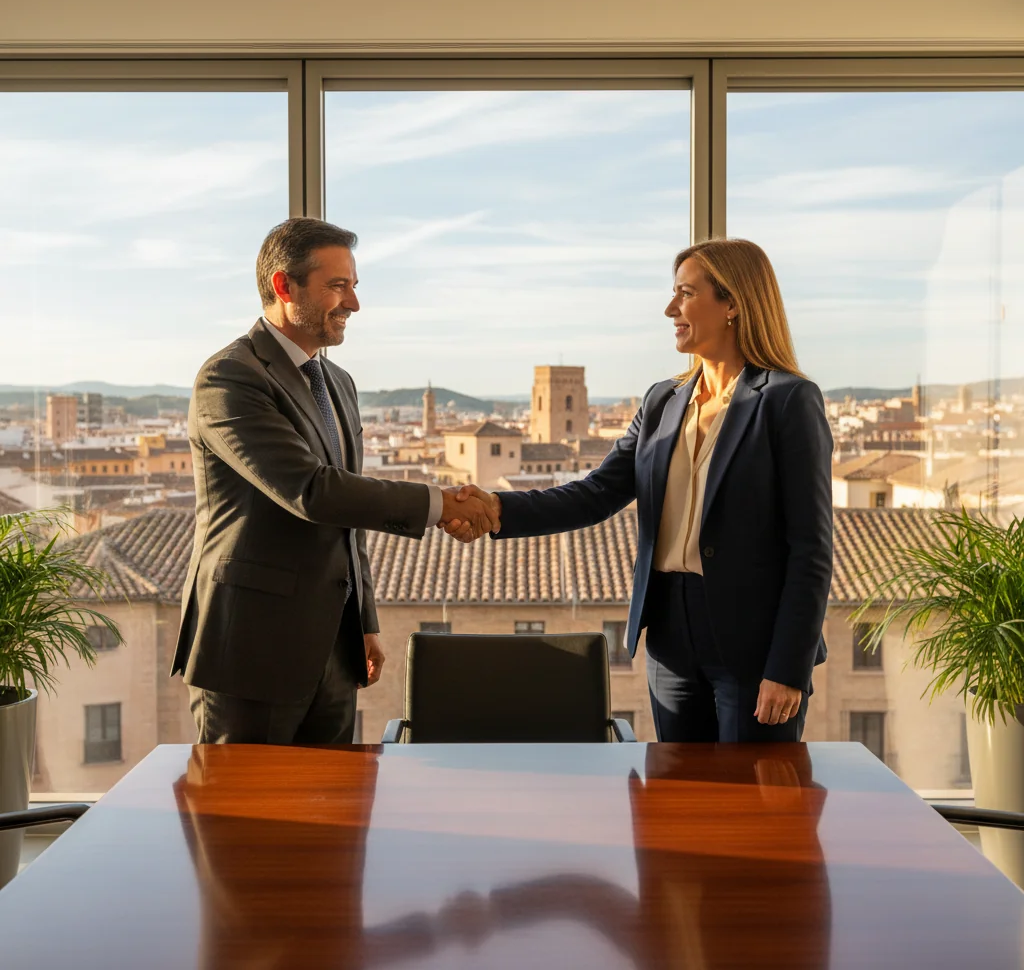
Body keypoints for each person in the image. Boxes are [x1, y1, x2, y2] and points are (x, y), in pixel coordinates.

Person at [443, 238, 832, 742]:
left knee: (752, 803)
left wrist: (788, 668)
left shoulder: (787, 400)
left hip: (754, 645)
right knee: (681, 798)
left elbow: (811, 549)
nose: (671, 308)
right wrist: (496, 508)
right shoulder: (663, 400)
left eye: (686, 294)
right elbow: (597, 493)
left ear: (733, 303)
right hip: (670, 636)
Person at [172, 218, 499, 745]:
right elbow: (313, 491)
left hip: (333, 649)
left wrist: (362, 619)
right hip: (251, 652)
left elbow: (348, 517)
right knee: (247, 821)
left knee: (333, 817)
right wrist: (441, 504)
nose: (353, 304)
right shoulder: (230, 377)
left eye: (353, 286)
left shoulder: (338, 383)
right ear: (284, 286)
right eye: (337, 286)